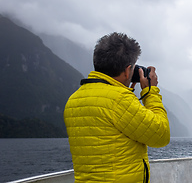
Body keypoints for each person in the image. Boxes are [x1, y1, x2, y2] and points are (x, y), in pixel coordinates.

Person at [64, 32, 170, 183]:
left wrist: (126, 91)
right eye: (133, 69)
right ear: (127, 71)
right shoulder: (120, 100)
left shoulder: (74, 100)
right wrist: (150, 92)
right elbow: (161, 135)